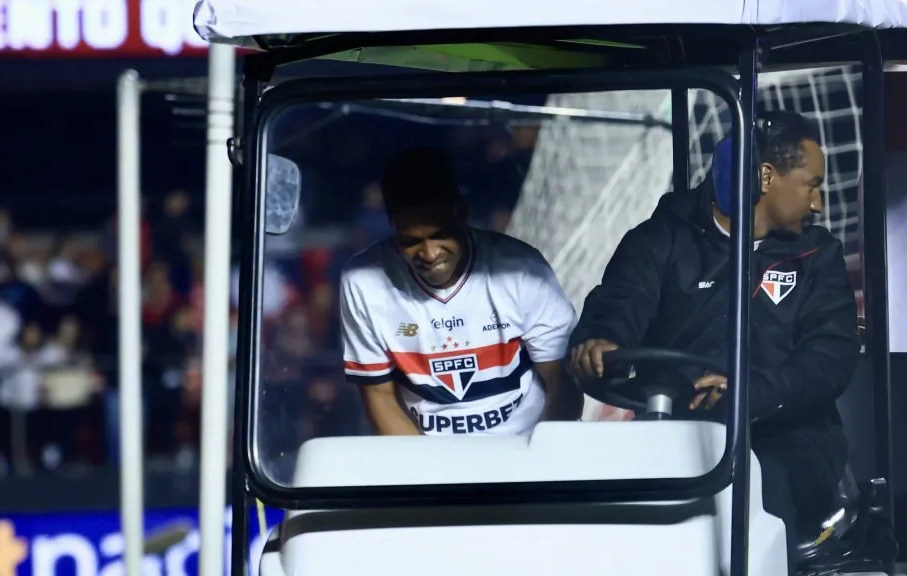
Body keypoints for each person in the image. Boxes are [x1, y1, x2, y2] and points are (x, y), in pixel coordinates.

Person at [569, 111, 858, 572]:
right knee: (607, 500)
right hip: (675, 427)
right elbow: (621, 303)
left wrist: (750, 391)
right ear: (766, 177)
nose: (818, 203)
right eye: (811, 184)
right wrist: (600, 342)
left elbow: (830, 359)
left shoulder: (817, 257)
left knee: (763, 489)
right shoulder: (661, 239)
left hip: (784, 436)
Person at [339, 146, 582, 436]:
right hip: (428, 459)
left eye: (440, 234)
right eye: (411, 240)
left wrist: (539, 462)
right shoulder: (363, 281)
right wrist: (429, 476)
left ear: (462, 213)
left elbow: (562, 382)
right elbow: (379, 397)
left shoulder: (521, 268)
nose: (429, 253)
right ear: (392, 225)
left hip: (524, 446)